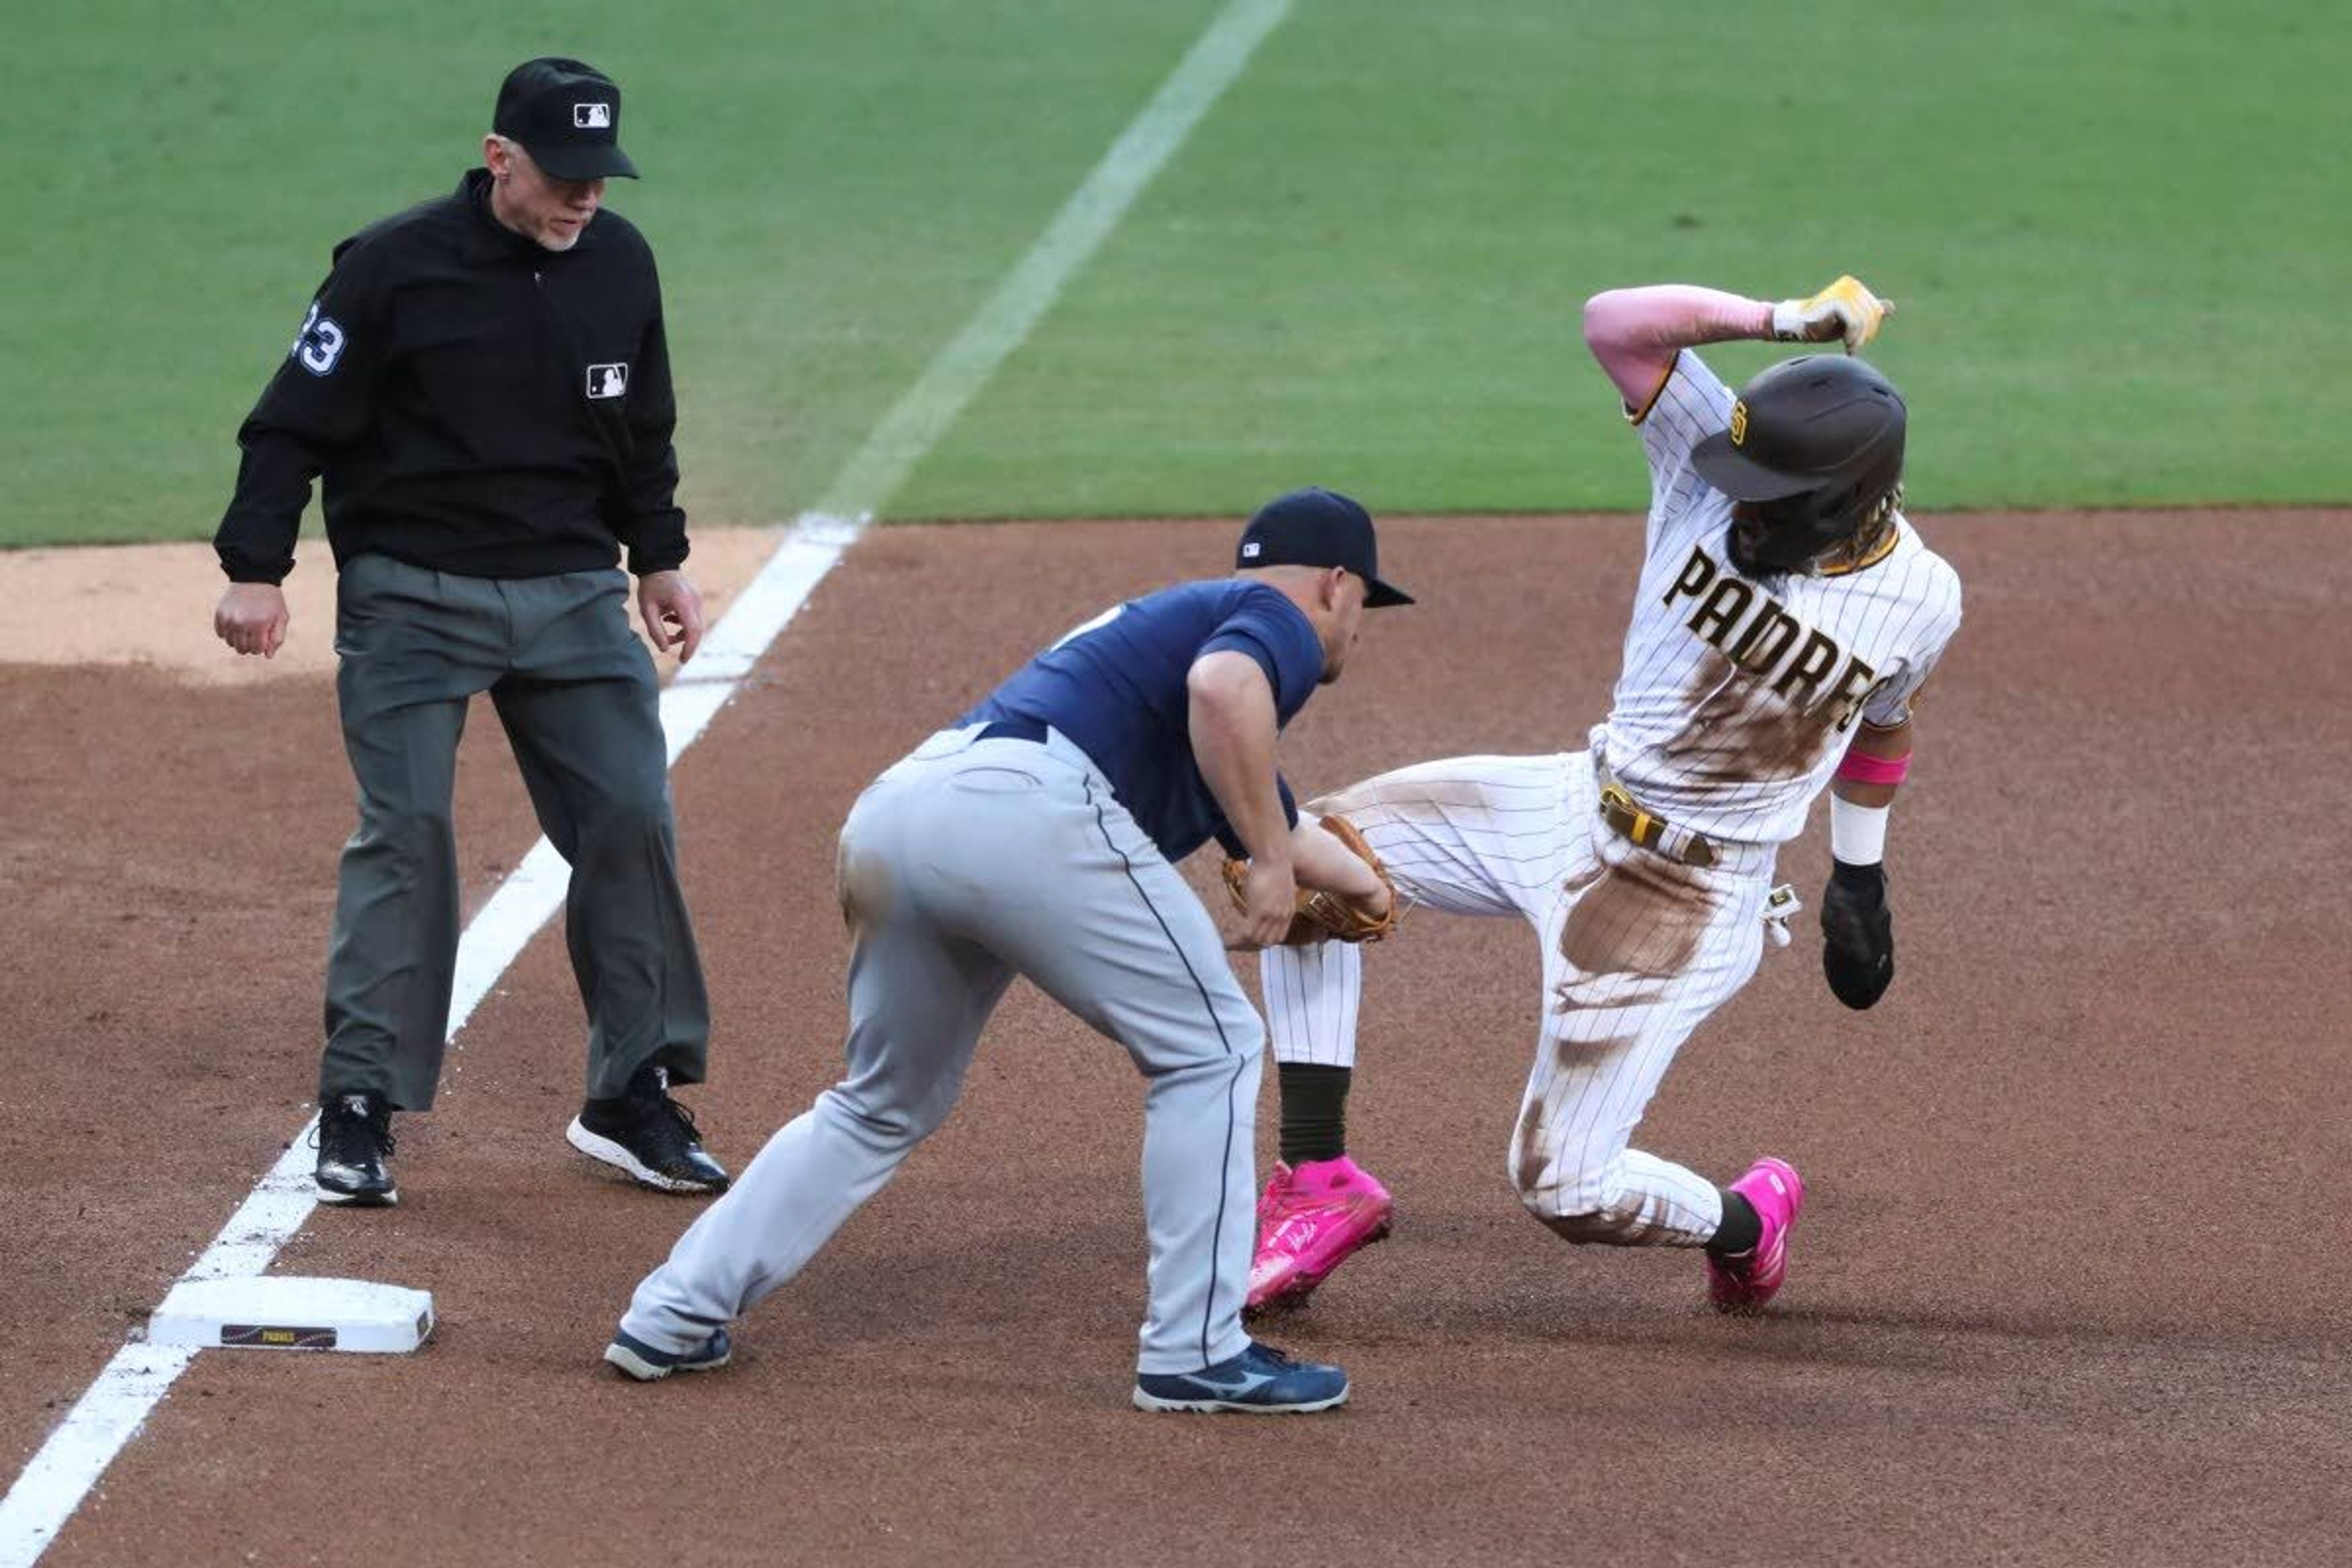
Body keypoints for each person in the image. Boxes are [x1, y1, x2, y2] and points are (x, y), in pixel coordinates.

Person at [1243, 276, 1962, 1316]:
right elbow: (1609, 322)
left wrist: (1861, 876)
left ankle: (1750, 1222)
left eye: (1766, 495)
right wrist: (1779, 321)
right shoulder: (1706, 461)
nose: (1737, 501)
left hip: (1685, 902)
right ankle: (1318, 1181)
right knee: (1304, 849)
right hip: (1575, 801)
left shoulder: (1923, 599)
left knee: (1563, 1186)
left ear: (1843, 504)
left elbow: (1884, 722)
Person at [605, 489, 1412, 1412]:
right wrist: (1270, 865)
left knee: (878, 1105)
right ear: (1337, 585)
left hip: (907, 812)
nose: (1355, 629)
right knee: (1213, 1047)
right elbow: (1226, 697)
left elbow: (1268, 798)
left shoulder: (1187, 645)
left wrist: (1366, 887)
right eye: (1362, 608)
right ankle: (1197, 1350)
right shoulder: (1270, 624)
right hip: (1028, 811)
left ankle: (670, 1314)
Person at [210, 58, 728, 1207]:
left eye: (601, 174)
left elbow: (644, 428)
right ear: (501, 159)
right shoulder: (391, 268)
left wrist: (661, 558)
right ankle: (360, 1102)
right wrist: (257, 568)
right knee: (409, 836)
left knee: (631, 816)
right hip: (414, 597)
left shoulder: (621, 260)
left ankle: (630, 1092)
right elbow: (288, 423)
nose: (585, 197)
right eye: (563, 174)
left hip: (572, 595)